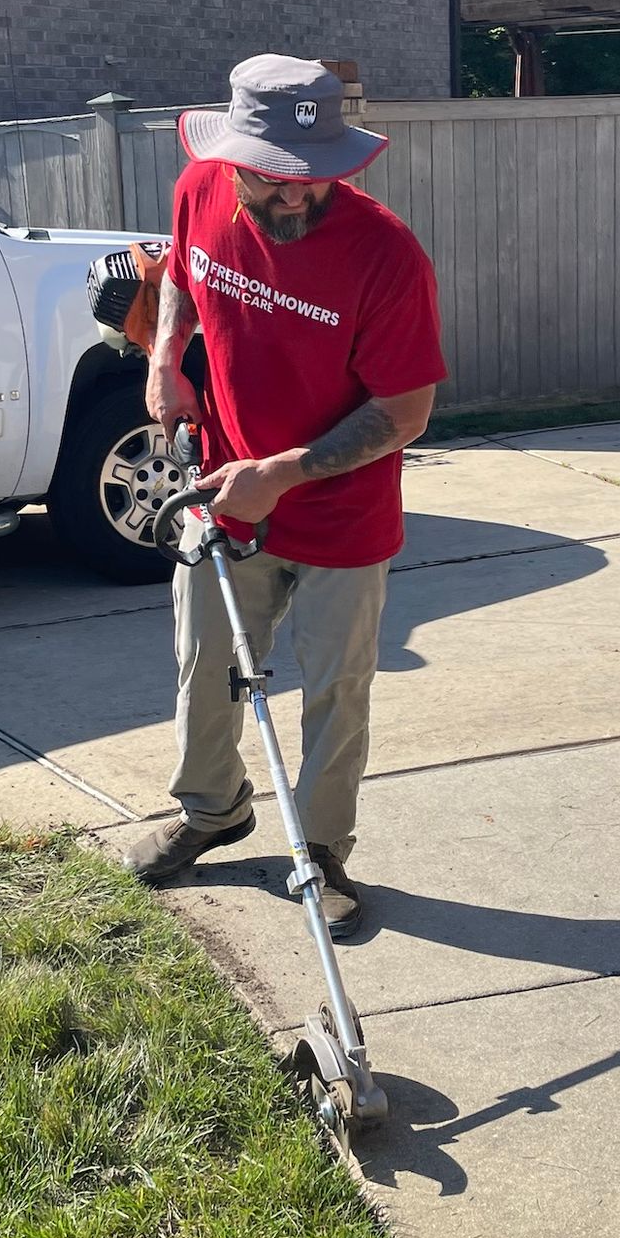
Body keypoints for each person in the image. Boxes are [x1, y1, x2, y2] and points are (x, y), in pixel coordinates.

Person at [123, 54, 448, 938]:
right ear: (232, 158)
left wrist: (284, 474)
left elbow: (405, 411)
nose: (298, 196)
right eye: (276, 178)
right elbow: (181, 282)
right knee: (205, 667)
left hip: (341, 513)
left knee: (336, 691)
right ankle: (213, 810)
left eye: (318, 177)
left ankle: (320, 849)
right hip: (222, 490)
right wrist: (165, 361)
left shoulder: (385, 255)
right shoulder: (199, 192)